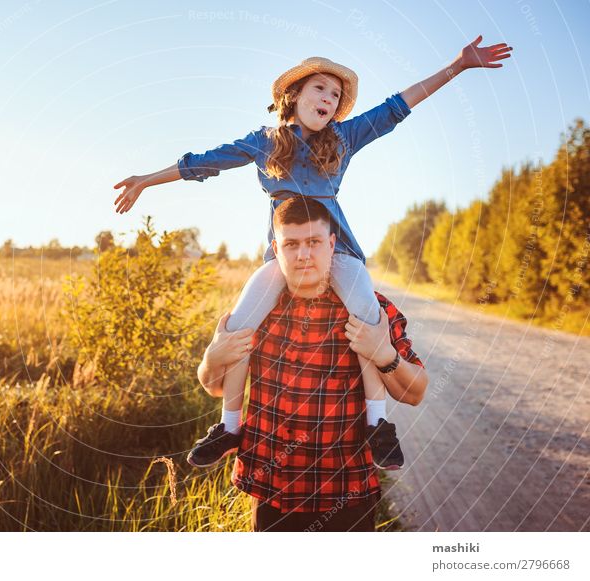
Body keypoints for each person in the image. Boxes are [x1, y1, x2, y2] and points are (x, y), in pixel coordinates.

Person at [113, 36, 511, 469]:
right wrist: (145, 181)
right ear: (295, 95)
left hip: (336, 250)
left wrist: (458, 65)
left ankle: (378, 425)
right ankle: (229, 427)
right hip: (283, 254)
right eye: (320, 87)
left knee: (366, 319)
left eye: (336, 94)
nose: (329, 98)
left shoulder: (343, 138)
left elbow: (397, 106)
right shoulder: (264, 142)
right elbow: (204, 162)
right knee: (239, 326)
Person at [197, 196, 428, 531]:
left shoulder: (369, 310)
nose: (304, 254)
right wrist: (211, 358)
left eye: (314, 242)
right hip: (270, 491)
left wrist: (385, 354)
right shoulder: (256, 310)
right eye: (292, 244)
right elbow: (212, 385)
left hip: (347, 497)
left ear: (332, 244)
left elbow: (416, 392)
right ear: (276, 249)